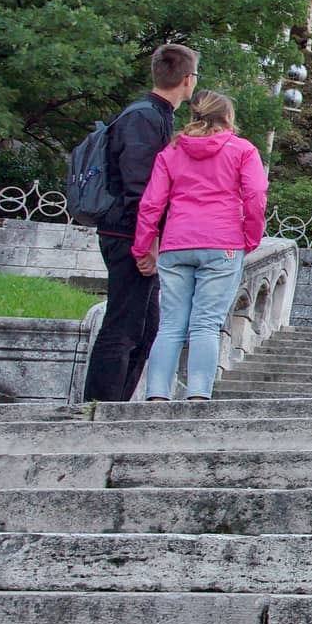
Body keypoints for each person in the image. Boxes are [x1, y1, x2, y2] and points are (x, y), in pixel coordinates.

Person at [81, 44, 199, 402]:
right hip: (129, 232)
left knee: (146, 328)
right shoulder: (145, 117)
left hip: (136, 231)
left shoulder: (155, 115)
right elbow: (140, 186)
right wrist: (147, 243)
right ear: (188, 79)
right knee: (122, 326)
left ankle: (115, 406)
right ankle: (99, 408)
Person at [133, 90, 268, 400]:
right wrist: (251, 236)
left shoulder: (171, 152)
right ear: (228, 118)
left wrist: (143, 248)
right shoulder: (243, 150)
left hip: (177, 243)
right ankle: (197, 395)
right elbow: (256, 195)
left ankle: (156, 395)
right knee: (206, 323)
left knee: (170, 324)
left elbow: (151, 204)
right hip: (223, 242)